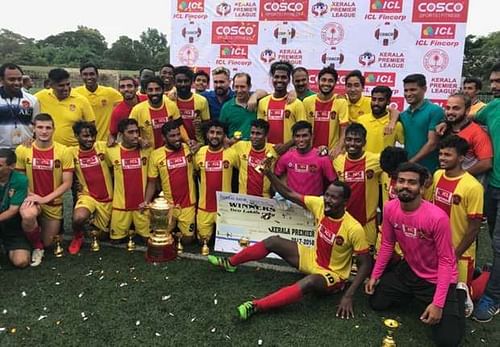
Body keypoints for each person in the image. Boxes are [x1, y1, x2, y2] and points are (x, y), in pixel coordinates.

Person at [208, 171, 372, 320]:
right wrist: (269, 174)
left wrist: (349, 295)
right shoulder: (320, 204)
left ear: (345, 202)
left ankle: (256, 306)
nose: (327, 200)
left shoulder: (354, 228)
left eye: (333, 198)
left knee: (309, 282)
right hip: (312, 257)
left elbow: (365, 264)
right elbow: (288, 193)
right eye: (326, 195)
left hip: (333, 274)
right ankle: (230, 263)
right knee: (273, 241)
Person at [366, 162, 464, 347]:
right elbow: (387, 243)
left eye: (412, 182)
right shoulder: (389, 208)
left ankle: (459, 293)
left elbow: (446, 261)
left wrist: (438, 304)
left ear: (421, 187)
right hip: (410, 270)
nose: (405, 186)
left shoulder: (437, 218)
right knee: (376, 302)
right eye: (401, 181)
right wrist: (375, 276)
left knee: (448, 340)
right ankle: (410, 294)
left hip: (437, 278)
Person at [433, 135, 484, 317]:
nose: (442, 158)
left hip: (459, 253)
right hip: (438, 248)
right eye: (441, 154)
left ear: (462, 158)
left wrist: (455, 254)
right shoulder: (437, 175)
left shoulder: (472, 186)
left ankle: (484, 278)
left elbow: (474, 228)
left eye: (448, 155)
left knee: (460, 300)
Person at [16, 113, 74, 266]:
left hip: (52, 202)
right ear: (33, 129)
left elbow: (67, 183)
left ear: (54, 130)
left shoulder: (64, 151)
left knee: (49, 243)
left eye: (48, 128)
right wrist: (31, 195)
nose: (44, 131)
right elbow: (20, 179)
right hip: (32, 198)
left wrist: (44, 199)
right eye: (40, 127)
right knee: (28, 215)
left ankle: (39, 234)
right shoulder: (23, 150)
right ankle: (37, 247)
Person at [472, 62, 500, 322]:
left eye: (498, 82)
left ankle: (493, 297)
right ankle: (494, 276)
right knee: (493, 237)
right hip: (494, 184)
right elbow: (469, 117)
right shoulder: (491, 107)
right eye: (492, 81)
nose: (494, 86)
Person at [144, 121, 197, 245]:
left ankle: (179, 233)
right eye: (172, 136)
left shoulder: (189, 149)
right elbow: (152, 182)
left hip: (188, 204)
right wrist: (146, 201)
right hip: (168, 206)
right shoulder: (156, 155)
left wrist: (198, 144)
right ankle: (172, 232)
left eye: (178, 135)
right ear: (164, 137)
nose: (177, 138)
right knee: (159, 238)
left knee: (187, 240)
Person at [67, 121, 113, 254]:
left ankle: (94, 223)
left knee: (103, 236)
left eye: (93, 135)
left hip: (108, 199)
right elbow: (53, 150)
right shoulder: (71, 152)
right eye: (85, 136)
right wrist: (30, 141)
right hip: (88, 196)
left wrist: (114, 137)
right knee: (79, 218)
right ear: (76, 136)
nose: (90, 139)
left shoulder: (103, 147)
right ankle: (78, 236)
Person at [333, 123, 382, 247]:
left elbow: (398, 162)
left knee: (366, 260)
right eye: (349, 140)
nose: (352, 144)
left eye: (357, 140)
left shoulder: (376, 160)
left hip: (368, 223)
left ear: (364, 142)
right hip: (345, 221)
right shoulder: (337, 161)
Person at [194, 120, 238, 249]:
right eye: (212, 132)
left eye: (219, 133)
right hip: (204, 208)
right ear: (207, 135)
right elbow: (194, 173)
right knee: (203, 242)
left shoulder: (232, 153)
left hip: (225, 208)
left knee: (229, 244)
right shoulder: (199, 153)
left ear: (224, 136)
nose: (215, 136)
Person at [105, 118, 151, 242]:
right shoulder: (111, 150)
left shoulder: (146, 149)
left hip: (142, 206)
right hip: (120, 206)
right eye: (130, 132)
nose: (135, 135)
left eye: (137, 132)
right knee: (115, 240)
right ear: (121, 135)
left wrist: (142, 140)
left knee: (149, 240)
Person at [35, 68, 95, 147]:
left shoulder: (81, 100)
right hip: (46, 149)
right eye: (61, 86)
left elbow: (91, 126)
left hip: (71, 150)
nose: (66, 88)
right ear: (51, 85)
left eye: (68, 84)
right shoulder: (39, 97)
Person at [275, 121, 336, 196]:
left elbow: (333, 182)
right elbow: (276, 178)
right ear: (293, 138)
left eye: (304, 136)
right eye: (297, 136)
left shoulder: (322, 158)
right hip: (292, 203)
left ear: (312, 136)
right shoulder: (286, 157)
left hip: (313, 205)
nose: (301, 140)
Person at [443, 92, 492, 184]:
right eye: (448, 108)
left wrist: (459, 175)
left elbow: (486, 163)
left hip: (468, 186)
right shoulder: (445, 129)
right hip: (447, 182)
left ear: (467, 110)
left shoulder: (477, 132)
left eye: (456, 108)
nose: (450, 112)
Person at [399, 73, 444, 173]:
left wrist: (410, 163)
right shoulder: (403, 115)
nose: (408, 94)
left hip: (430, 171)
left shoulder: (435, 110)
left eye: (413, 90)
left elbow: (432, 143)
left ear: (424, 89)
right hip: (410, 171)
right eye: (406, 90)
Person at [257, 61, 306, 152]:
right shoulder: (263, 102)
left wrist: (286, 146)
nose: (279, 80)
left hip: (289, 153)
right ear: (272, 78)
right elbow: (259, 130)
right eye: (276, 77)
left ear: (289, 80)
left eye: (283, 77)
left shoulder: (296, 103)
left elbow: (303, 131)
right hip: (267, 153)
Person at [130, 76, 188, 149]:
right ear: (146, 91)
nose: (154, 93)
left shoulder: (171, 105)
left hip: (169, 153)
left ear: (163, 90)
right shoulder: (137, 110)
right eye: (150, 90)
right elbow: (130, 131)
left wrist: (187, 140)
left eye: (157, 89)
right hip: (148, 153)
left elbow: (179, 126)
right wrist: (139, 140)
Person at [303, 65, 348, 155]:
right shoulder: (307, 102)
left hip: (332, 153)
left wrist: (338, 148)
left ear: (335, 83)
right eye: (323, 80)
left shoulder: (341, 102)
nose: (326, 83)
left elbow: (344, 129)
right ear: (318, 81)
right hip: (310, 152)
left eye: (330, 81)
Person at [73, 63, 123, 142]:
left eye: (92, 74)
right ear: (81, 76)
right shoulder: (75, 93)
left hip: (105, 142)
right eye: (85, 74)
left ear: (97, 75)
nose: (89, 77)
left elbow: (127, 103)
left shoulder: (110, 93)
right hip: (84, 142)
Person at [0, 149, 30, 268]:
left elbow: (13, 210)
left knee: (21, 262)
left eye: (0, 165)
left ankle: (13, 247)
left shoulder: (20, 180)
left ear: (12, 166)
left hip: (12, 226)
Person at [231, 119, 277, 197]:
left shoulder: (273, 149)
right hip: (243, 198)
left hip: (264, 199)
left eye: (258, 134)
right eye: (252, 133)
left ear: (266, 136)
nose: (254, 136)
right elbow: (226, 151)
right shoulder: (240, 146)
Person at [0, 63, 39, 149]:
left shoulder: (32, 100)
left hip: (26, 150)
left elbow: (37, 126)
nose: (17, 83)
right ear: (2, 80)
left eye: (19, 79)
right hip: (1, 152)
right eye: (12, 79)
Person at [357, 86, 404, 154]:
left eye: (381, 100)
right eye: (374, 99)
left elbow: (406, 143)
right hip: (365, 163)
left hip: (385, 164)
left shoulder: (395, 125)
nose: (376, 103)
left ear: (388, 102)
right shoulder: (361, 120)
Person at [174, 65, 210, 143]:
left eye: (186, 81)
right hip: (175, 145)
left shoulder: (202, 100)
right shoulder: (170, 101)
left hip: (197, 145)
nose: (183, 84)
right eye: (179, 81)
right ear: (174, 82)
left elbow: (207, 125)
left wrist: (200, 125)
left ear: (191, 82)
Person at [108, 76, 148, 144]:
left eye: (129, 86)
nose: (126, 89)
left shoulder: (147, 101)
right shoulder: (117, 112)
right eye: (122, 87)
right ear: (119, 90)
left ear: (136, 88)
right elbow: (112, 134)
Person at [219, 72, 257, 141]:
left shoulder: (258, 102)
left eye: (242, 87)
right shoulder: (226, 107)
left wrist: (255, 96)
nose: (239, 90)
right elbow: (221, 130)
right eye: (236, 87)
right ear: (233, 87)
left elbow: (265, 93)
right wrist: (227, 140)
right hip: (234, 149)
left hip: (254, 149)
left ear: (249, 86)